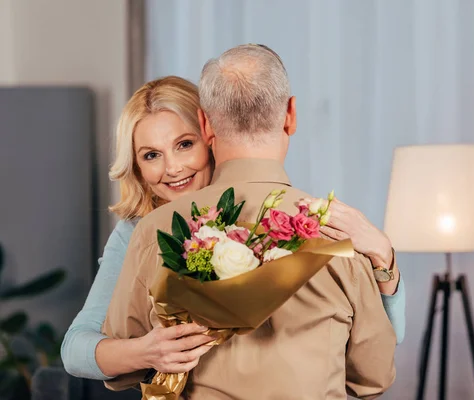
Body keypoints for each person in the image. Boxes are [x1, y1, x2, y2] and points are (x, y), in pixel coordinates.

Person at [61, 75, 405, 382]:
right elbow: (75, 349)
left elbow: (378, 341)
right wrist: (147, 352)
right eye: (152, 155)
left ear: (210, 134)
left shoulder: (279, 215)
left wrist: (383, 256)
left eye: (184, 144)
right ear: (136, 167)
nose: (173, 168)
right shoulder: (138, 232)